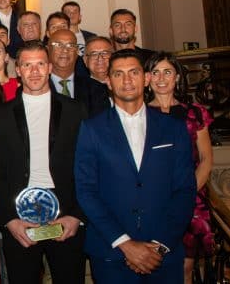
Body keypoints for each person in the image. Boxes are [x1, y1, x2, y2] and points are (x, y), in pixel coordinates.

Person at [74, 49, 196, 283]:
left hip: (163, 253)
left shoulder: (174, 128)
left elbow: (185, 190)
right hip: (112, 253)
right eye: (118, 74)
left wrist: (159, 246)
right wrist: (125, 244)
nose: (127, 80)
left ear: (146, 78)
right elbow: (86, 191)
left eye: (133, 72)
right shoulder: (91, 129)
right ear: (109, 82)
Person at [0, 41, 88, 284]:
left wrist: (76, 215)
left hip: (66, 214)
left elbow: (88, 167)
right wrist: (9, 219)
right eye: (27, 65)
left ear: (50, 68)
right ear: (18, 71)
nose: (34, 71)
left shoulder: (76, 111)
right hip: (19, 215)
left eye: (40, 64)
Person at [144, 52, 214, 283]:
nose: (161, 78)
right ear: (147, 78)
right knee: (154, 264)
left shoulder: (195, 112)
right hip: (153, 201)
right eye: (155, 72)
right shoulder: (139, 114)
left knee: (185, 268)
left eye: (167, 72)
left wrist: (186, 193)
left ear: (177, 77)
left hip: (191, 199)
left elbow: (205, 159)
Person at [48, 29, 109, 117]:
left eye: (70, 45)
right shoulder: (37, 87)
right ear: (48, 49)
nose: (65, 50)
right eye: (58, 45)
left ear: (77, 52)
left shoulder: (96, 89)